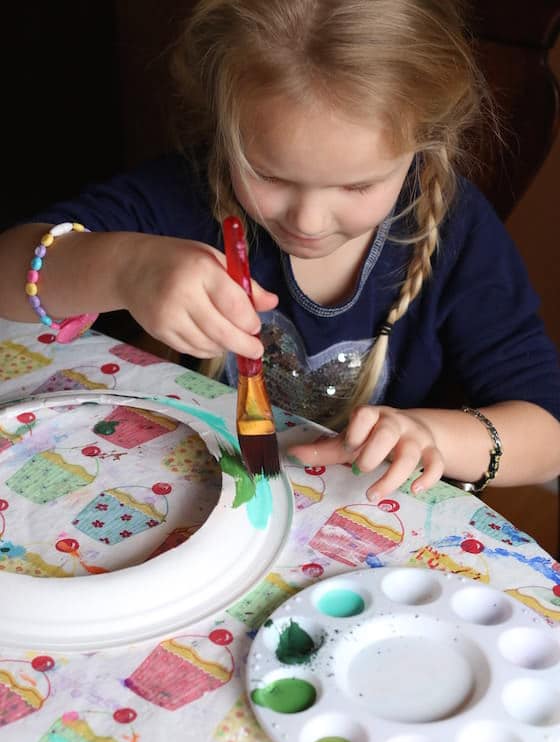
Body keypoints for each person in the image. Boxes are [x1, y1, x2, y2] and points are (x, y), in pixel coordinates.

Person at [0, 0, 559, 501]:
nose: (308, 221)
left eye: (357, 186)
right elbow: (8, 276)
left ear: (427, 142)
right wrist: (125, 267)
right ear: (226, 128)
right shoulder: (186, 195)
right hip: (195, 497)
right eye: (268, 174)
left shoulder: (454, 230)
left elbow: (548, 432)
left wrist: (433, 435)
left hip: (365, 522)